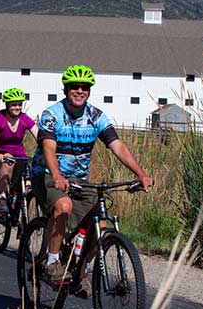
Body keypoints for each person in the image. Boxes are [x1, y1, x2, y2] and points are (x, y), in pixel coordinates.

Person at [31, 65, 153, 295]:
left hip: (79, 178)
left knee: (101, 224)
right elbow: (48, 147)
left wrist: (140, 173)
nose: (79, 91)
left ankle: (80, 268)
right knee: (63, 205)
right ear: (66, 89)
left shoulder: (96, 116)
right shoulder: (52, 114)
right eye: (74, 87)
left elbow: (117, 145)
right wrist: (56, 175)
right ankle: (52, 262)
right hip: (47, 174)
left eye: (84, 87)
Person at [0, 87, 38, 213]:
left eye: (20, 104)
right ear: (7, 105)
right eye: (14, 105)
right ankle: (2, 197)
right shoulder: (0, 117)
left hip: (20, 156)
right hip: (1, 154)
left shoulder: (24, 118)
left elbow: (39, 136)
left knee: (29, 186)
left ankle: (25, 219)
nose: (17, 107)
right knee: (9, 160)